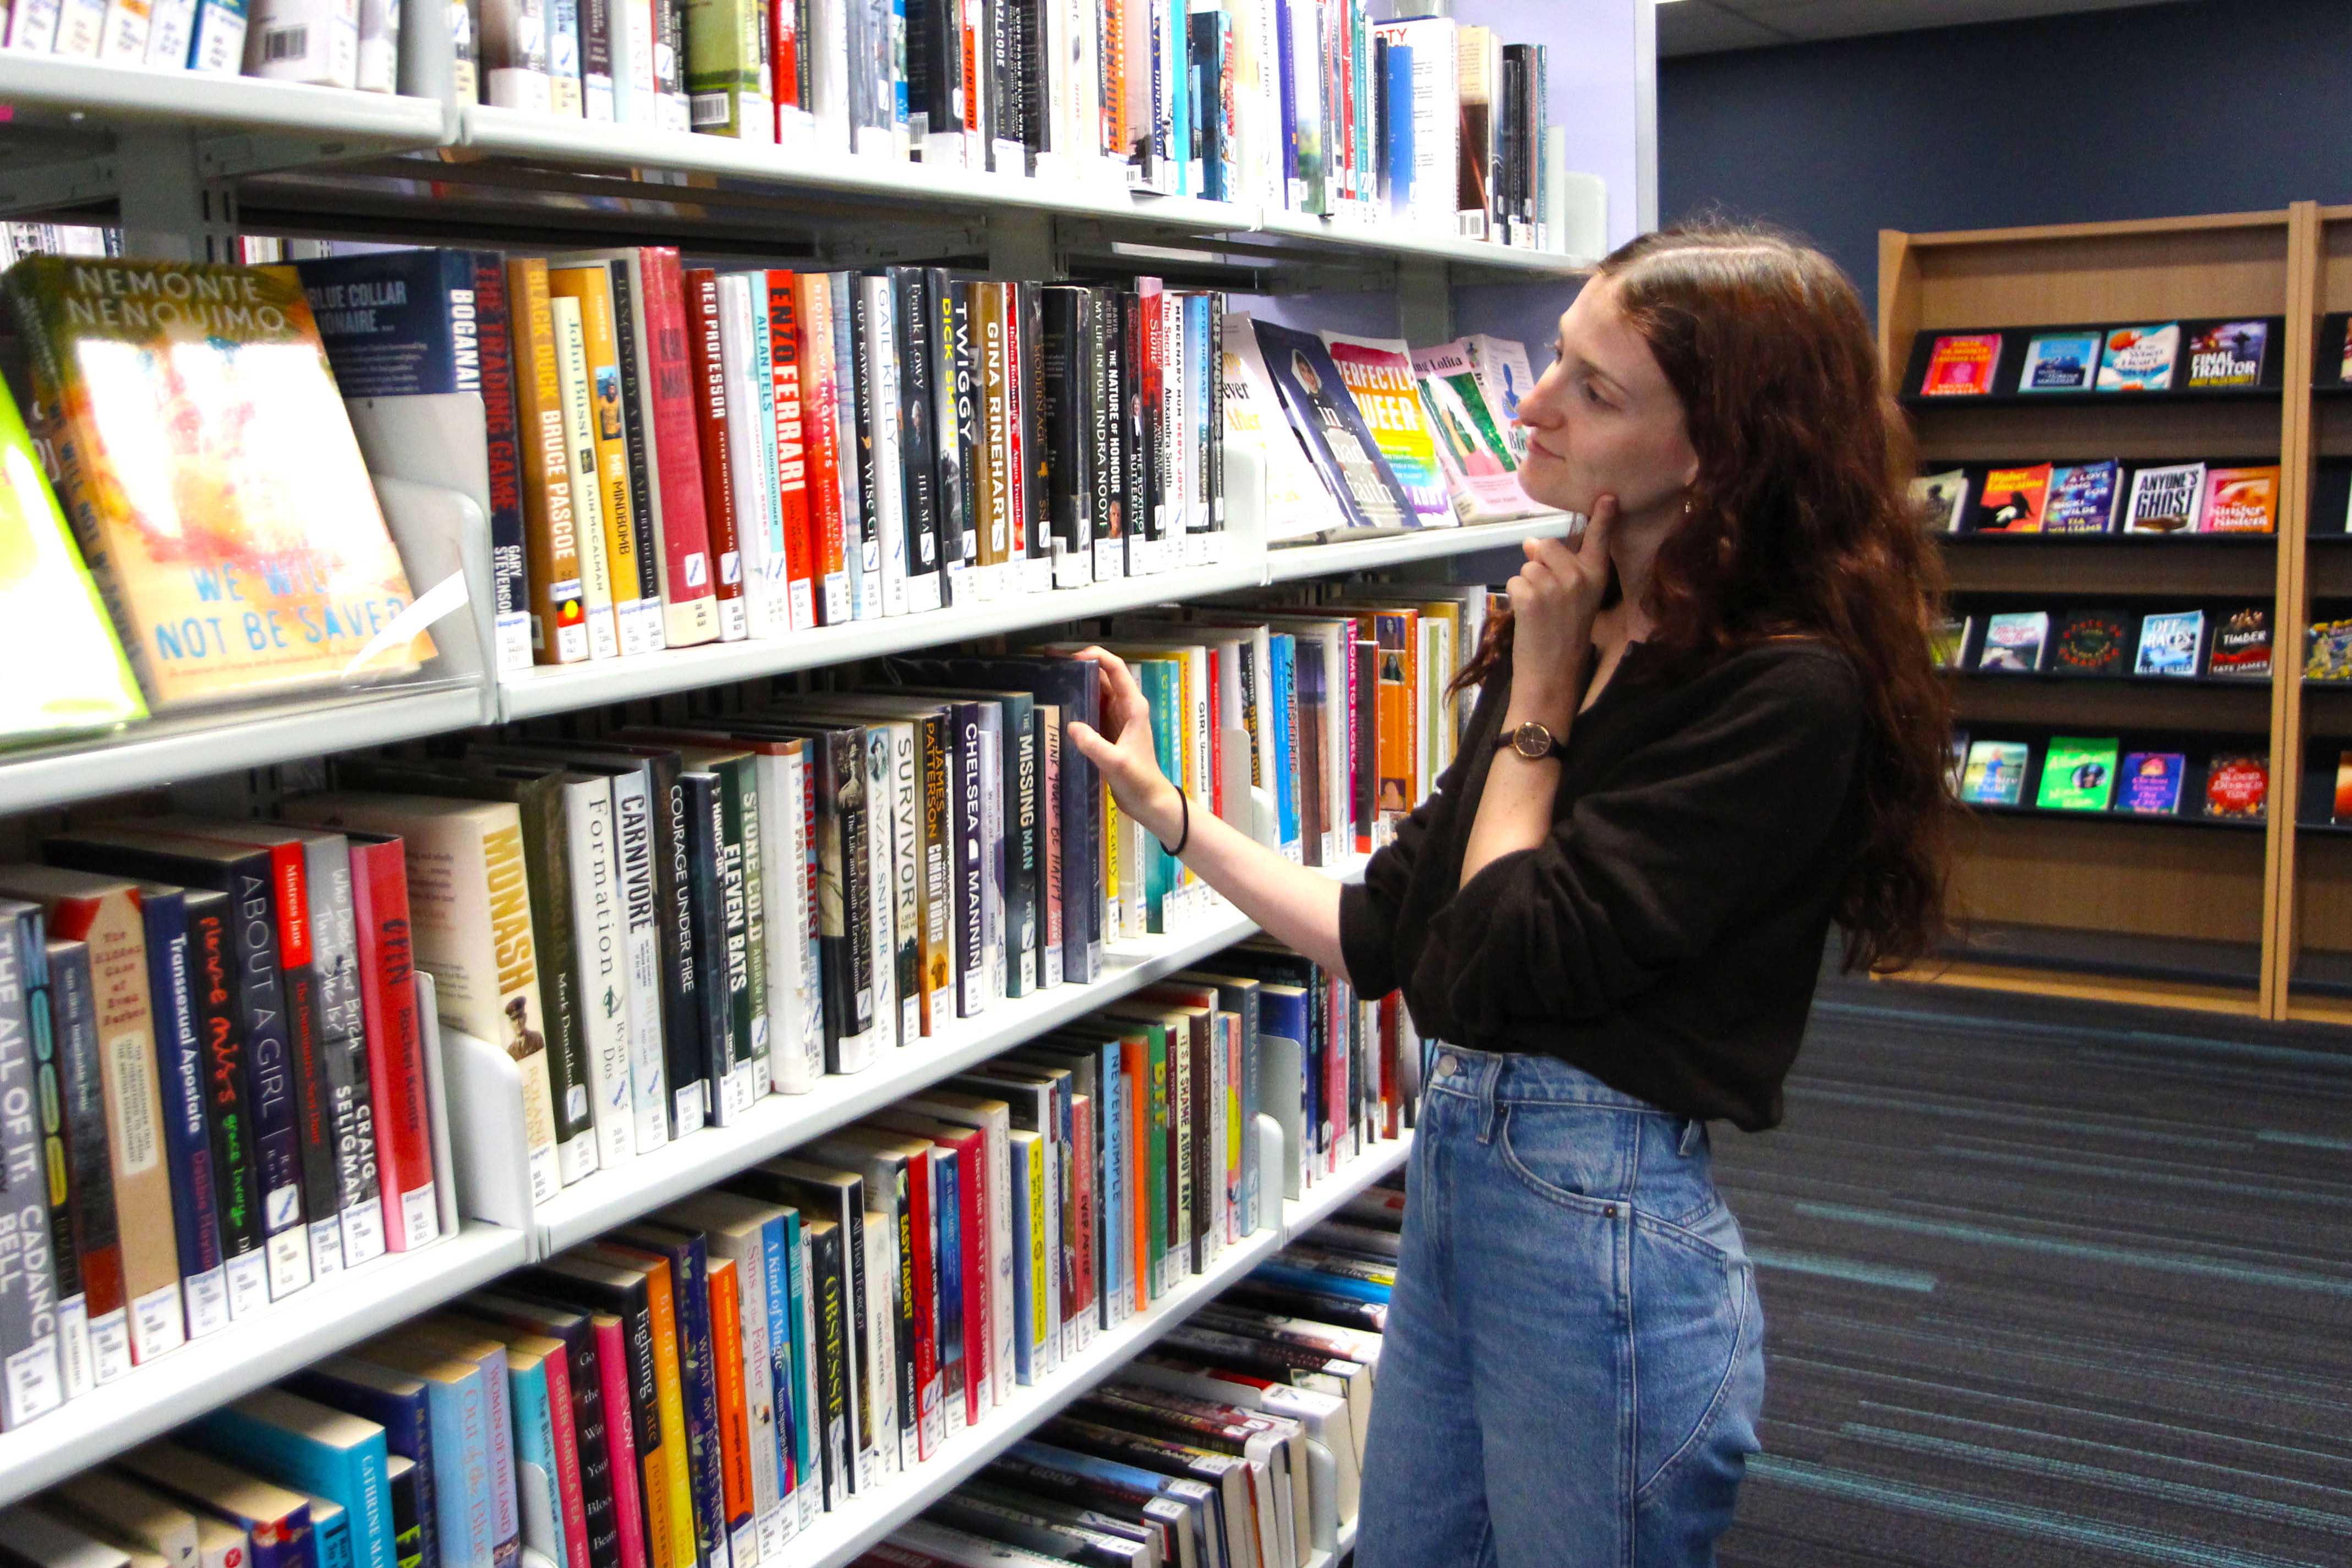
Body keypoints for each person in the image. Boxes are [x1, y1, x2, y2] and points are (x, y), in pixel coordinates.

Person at [1064, 222, 1952, 1566]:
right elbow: (1390, 930)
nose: (1530, 403)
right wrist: (1172, 818)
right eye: (1553, 360)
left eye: (1594, 390)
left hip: (1600, 1234)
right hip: (1468, 1189)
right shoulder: (1577, 610)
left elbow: (1491, 961)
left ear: (1717, 449)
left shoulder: (1783, 693)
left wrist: (1537, 702)